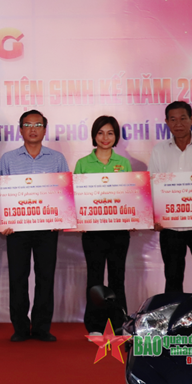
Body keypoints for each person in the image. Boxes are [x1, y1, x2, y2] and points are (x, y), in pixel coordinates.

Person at [0, 110, 69, 343]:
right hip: (16, 229)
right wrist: (3, 222)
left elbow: (65, 194)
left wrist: (61, 218)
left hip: (47, 229)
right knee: (18, 278)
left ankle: (41, 327)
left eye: (38, 125)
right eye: (28, 125)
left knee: (45, 278)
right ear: (20, 130)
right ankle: (20, 327)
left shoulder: (57, 159)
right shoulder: (8, 159)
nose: (33, 129)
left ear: (45, 129)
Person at [149, 101, 192, 293]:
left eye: (182, 118)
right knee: (172, 276)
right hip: (170, 226)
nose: (178, 123)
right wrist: (155, 217)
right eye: (173, 119)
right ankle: (174, 313)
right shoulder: (159, 150)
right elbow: (152, 185)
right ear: (166, 122)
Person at [73, 115, 132, 337]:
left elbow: (131, 195)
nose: (105, 137)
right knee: (95, 278)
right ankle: (95, 326)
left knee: (118, 278)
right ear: (93, 135)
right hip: (92, 233)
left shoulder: (124, 163)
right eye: (100, 133)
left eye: (110, 133)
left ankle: (119, 324)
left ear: (116, 136)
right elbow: (76, 197)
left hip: (119, 232)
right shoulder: (83, 164)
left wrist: (135, 216)